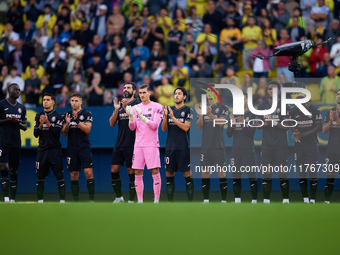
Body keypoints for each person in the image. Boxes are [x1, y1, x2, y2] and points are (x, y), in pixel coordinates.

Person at [126, 84, 163, 203]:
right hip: (138, 145)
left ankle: (156, 200)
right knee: (137, 172)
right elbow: (132, 128)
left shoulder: (157, 107)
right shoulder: (136, 107)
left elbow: (155, 125)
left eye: (144, 93)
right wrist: (131, 117)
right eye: (140, 93)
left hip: (151, 144)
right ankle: (140, 201)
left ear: (149, 93)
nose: (141, 95)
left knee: (155, 171)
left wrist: (142, 118)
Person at [256, 81, 291, 204]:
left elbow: (287, 126)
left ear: (279, 91)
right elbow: (256, 124)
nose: (272, 91)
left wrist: (274, 122)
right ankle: (266, 200)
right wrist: (266, 123)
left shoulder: (285, 105)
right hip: (267, 145)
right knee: (266, 172)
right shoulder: (261, 106)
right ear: (267, 91)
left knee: (282, 172)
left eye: (275, 89)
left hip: (281, 144)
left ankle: (286, 200)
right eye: (270, 89)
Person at [195, 85, 229, 203]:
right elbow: (199, 127)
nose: (209, 93)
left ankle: (224, 200)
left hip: (218, 145)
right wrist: (200, 116)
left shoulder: (223, 107)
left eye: (212, 91)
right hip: (206, 146)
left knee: (221, 172)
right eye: (208, 91)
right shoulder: (203, 108)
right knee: (205, 173)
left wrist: (209, 114)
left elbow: (221, 123)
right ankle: (206, 200)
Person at [109, 83, 140, 203]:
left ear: (134, 91)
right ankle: (119, 197)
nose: (126, 89)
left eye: (129, 88)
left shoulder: (137, 104)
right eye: (125, 88)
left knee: (131, 171)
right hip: (119, 143)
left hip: (133, 143)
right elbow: (112, 123)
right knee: (114, 169)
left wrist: (127, 108)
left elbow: (136, 122)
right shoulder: (120, 105)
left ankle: (131, 200)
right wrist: (116, 109)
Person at [162, 87, 194, 201]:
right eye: (175, 94)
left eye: (179, 94)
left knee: (187, 175)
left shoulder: (188, 110)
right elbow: (163, 129)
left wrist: (173, 118)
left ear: (184, 97)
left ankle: (190, 203)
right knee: (169, 175)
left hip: (183, 147)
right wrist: (166, 117)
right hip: (170, 147)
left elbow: (186, 127)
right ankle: (170, 203)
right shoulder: (169, 110)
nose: (176, 96)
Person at [62, 93, 95, 202]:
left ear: (81, 102)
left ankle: (91, 200)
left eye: (76, 101)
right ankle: (76, 201)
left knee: (88, 173)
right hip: (72, 149)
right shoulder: (66, 115)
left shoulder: (86, 114)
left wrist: (76, 121)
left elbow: (87, 130)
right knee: (74, 174)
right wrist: (67, 124)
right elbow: (64, 133)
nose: (74, 103)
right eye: (72, 100)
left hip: (84, 147)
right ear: (70, 102)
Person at [34, 93, 65, 203]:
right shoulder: (38, 115)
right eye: (44, 100)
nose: (45, 102)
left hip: (54, 150)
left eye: (48, 100)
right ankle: (40, 201)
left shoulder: (58, 115)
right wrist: (41, 124)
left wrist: (47, 122)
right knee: (40, 177)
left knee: (59, 176)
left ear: (53, 102)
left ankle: (62, 201)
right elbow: (35, 134)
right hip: (42, 150)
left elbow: (57, 133)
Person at [226, 93, 258, 203]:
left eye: (244, 99)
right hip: (236, 151)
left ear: (247, 101)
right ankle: (237, 200)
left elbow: (251, 133)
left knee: (252, 177)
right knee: (236, 177)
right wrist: (233, 124)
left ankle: (254, 201)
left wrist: (243, 123)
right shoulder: (234, 115)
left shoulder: (252, 114)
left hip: (248, 150)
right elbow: (229, 134)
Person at [290, 96, 322, 203]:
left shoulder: (314, 109)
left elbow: (319, 127)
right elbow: (291, 123)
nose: (298, 108)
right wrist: (295, 132)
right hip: (299, 145)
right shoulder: (293, 110)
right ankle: (305, 199)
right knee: (301, 172)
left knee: (312, 171)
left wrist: (302, 135)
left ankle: (313, 199)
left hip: (311, 144)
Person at [0, 83, 27, 203]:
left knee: (14, 170)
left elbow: (25, 126)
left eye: (19, 90)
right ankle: (6, 198)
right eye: (16, 89)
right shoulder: (1, 104)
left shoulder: (22, 107)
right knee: (4, 167)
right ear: (9, 91)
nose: (18, 91)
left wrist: (17, 123)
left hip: (16, 143)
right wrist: (9, 120)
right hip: (3, 142)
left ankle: (12, 199)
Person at [323, 89, 340, 203]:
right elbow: (324, 131)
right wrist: (330, 121)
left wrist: (337, 119)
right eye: (338, 94)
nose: (339, 96)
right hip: (332, 150)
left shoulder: (335, 114)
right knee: (330, 176)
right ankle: (327, 201)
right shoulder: (330, 111)